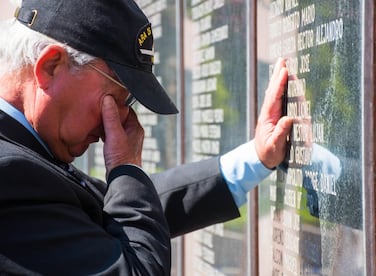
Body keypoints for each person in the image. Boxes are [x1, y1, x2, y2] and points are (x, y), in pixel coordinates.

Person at [0, 0, 293, 275]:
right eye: (114, 98)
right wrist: (124, 166)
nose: (113, 124)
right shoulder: (9, 174)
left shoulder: (24, 152)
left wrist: (257, 157)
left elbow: (114, 211)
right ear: (51, 66)